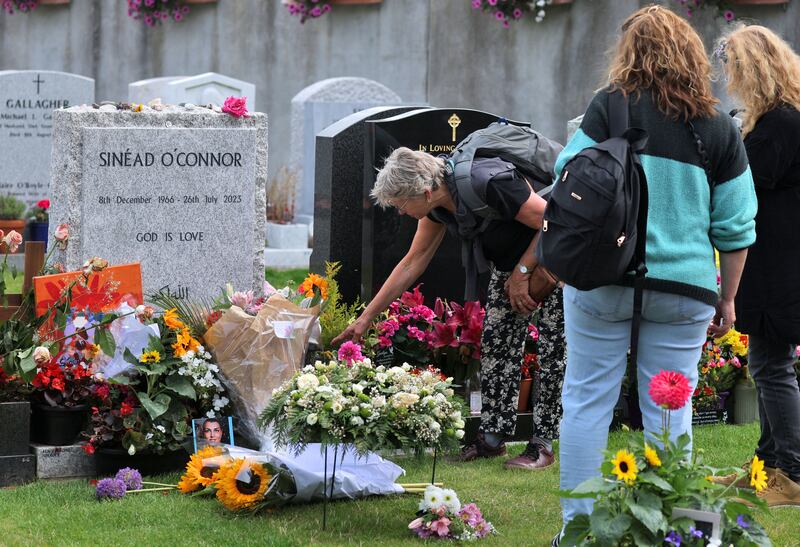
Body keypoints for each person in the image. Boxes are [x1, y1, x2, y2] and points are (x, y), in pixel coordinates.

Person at [552, 6, 757, 543]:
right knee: (671, 405)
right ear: (691, 54)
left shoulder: (608, 109)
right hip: (685, 287)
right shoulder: (717, 126)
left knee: (587, 399)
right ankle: (674, 530)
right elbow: (736, 227)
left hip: (603, 278)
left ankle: (578, 530)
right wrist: (727, 299)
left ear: (628, 53)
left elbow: (564, 176)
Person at [333, 146, 567, 470]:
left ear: (426, 193)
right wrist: (365, 319)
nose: (400, 212)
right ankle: (492, 438)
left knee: (553, 351)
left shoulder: (489, 182)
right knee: (497, 346)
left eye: (402, 204)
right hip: (510, 264)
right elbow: (411, 264)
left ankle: (542, 443)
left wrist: (524, 272)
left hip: (554, 258)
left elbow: (552, 221)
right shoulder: (438, 207)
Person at [713, 24, 800, 507]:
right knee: (768, 363)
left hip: (778, 265)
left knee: (772, 367)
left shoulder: (781, 124)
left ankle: (790, 473)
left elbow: (744, 183)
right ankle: (767, 470)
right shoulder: (779, 119)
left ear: (751, 71)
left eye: (731, 68)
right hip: (776, 260)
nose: (727, 78)